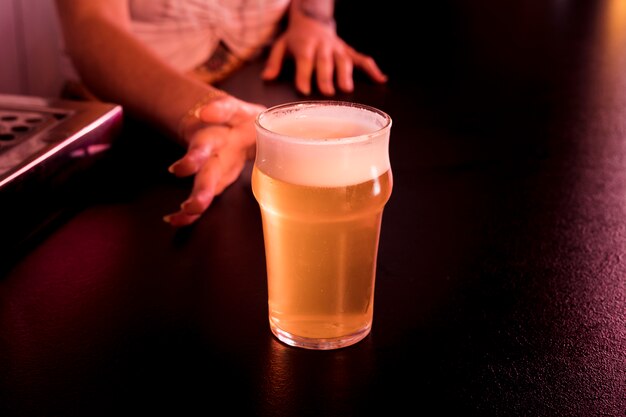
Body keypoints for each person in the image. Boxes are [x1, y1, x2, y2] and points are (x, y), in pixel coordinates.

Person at [54, 0, 388, 227]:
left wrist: (312, 18)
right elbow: (90, 23)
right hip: (136, 121)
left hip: (270, 79)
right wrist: (202, 109)